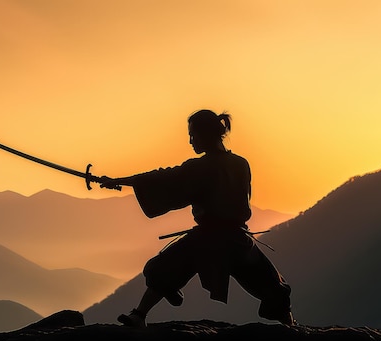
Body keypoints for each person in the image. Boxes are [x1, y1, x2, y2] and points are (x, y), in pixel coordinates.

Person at [100, 109, 294, 328]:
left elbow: (162, 177)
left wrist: (119, 181)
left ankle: (140, 314)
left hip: (208, 239)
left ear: (206, 134)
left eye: (193, 135)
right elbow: (166, 176)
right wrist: (120, 180)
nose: (190, 140)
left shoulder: (200, 167)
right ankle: (291, 326)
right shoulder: (241, 164)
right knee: (270, 283)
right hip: (237, 241)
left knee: (164, 269)